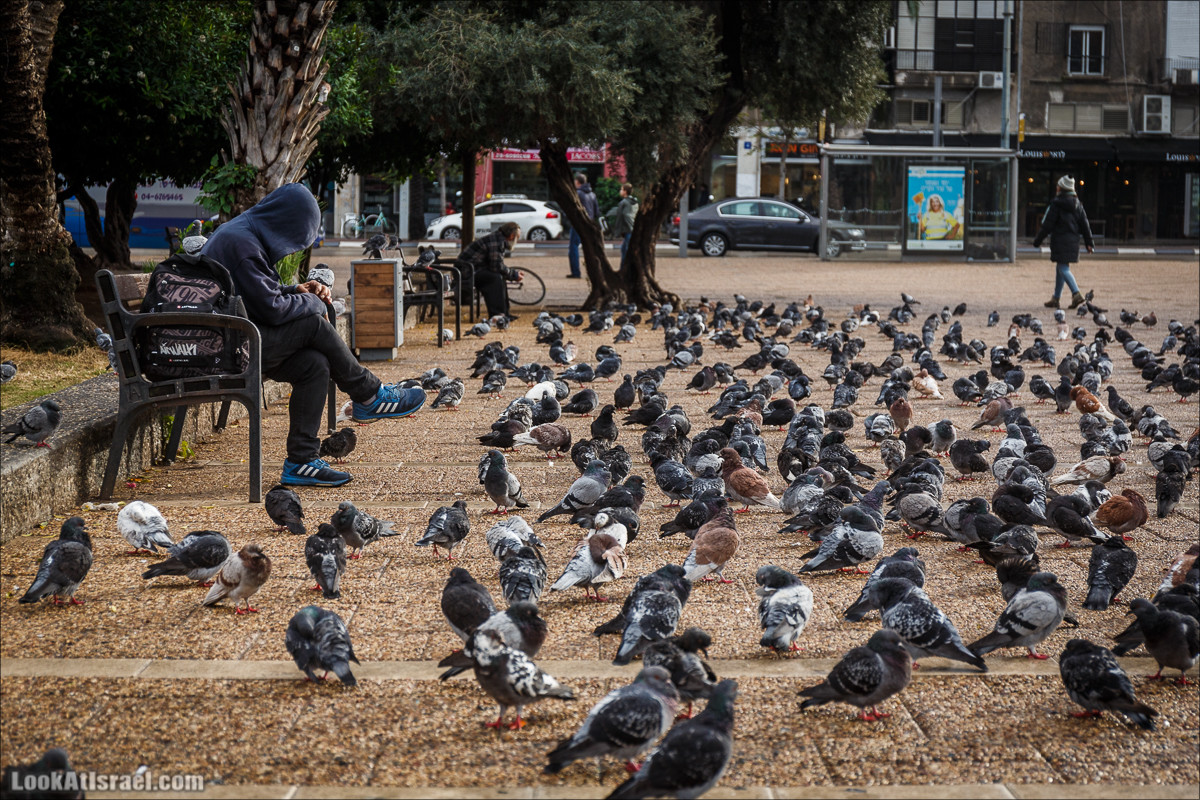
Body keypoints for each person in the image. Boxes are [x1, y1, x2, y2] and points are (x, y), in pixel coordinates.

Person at [201, 184, 425, 488]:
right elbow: (273, 310)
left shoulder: (243, 234)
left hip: (237, 338)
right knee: (314, 326)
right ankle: (369, 395)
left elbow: (260, 295)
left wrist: (297, 290)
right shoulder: (242, 244)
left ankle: (301, 461)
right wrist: (314, 301)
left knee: (314, 363)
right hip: (226, 350)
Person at [1033, 174, 1094, 309]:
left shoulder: (1056, 204)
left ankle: (1076, 293)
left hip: (1060, 241)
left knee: (1063, 268)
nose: (1056, 187)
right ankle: (1056, 298)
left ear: (1061, 188)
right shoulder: (1078, 204)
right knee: (1060, 267)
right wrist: (1089, 242)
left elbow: (1047, 225)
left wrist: (1037, 241)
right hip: (1073, 241)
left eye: (1058, 185)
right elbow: (1085, 224)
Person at [456, 221, 523, 320]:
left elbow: (496, 265)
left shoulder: (497, 238)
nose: (516, 240)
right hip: (468, 272)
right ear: (512, 236)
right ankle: (497, 315)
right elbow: (496, 266)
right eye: (517, 237)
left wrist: (511, 274)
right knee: (494, 278)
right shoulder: (497, 242)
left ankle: (504, 313)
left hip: (472, 269)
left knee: (499, 277)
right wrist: (514, 275)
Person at [567, 173, 599, 278]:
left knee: (573, 248)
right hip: (589, 224)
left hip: (578, 225)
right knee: (589, 248)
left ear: (577, 182)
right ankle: (594, 272)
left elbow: (573, 208)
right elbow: (597, 212)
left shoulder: (578, 193)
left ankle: (576, 272)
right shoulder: (592, 194)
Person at [611, 182, 639, 268]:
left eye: (621, 189)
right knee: (624, 249)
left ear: (625, 191)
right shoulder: (634, 202)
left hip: (628, 230)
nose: (620, 191)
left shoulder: (624, 203)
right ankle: (623, 268)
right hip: (632, 229)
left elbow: (624, 216)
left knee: (626, 251)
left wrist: (618, 231)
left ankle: (624, 269)